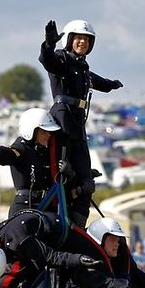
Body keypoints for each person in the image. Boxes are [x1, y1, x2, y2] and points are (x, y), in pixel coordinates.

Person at [39, 19, 123, 227]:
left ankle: (78, 223)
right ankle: (60, 213)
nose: (82, 42)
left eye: (86, 39)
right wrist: (48, 44)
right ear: (69, 40)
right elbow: (47, 60)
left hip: (77, 120)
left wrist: (110, 85)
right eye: (78, 38)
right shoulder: (61, 60)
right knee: (63, 167)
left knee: (86, 177)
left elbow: (93, 79)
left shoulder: (81, 66)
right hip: (63, 116)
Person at [0, 108, 64, 218]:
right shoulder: (21, 148)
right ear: (31, 131)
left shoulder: (46, 151)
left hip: (48, 205)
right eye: (44, 131)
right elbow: (6, 154)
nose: (48, 135)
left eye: (49, 131)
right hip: (25, 207)